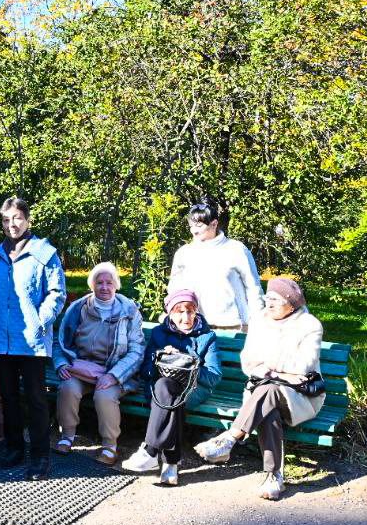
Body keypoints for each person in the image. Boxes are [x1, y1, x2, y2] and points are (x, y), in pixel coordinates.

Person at [194, 277, 325, 500]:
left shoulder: (309, 325)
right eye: (268, 298)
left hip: (301, 396)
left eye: (275, 299)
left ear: (291, 303)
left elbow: (305, 365)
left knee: (269, 391)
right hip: (261, 390)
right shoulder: (260, 320)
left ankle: (230, 438)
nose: (269, 303)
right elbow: (248, 361)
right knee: (269, 401)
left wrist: (270, 367)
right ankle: (273, 477)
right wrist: (280, 371)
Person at [0, 197, 67, 480]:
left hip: (31, 339)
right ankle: (14, 448)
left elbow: (57, 292)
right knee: (8, 396)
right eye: (6, 220)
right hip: (0, 340)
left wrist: (41, 320)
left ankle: (40, 456)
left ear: (27, 219)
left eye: (16, 218)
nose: (11, 224)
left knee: (36, 398)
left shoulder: (44, 253)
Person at [121, 289, 221, 485]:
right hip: (161, 387)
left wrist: (187, 364)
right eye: (179, 312)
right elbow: (146, 371)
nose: (186, 317)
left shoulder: (207, 337)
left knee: (172, 396)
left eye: (190, 311)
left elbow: (214, 376)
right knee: (166, 389)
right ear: (170, 313)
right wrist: (162, 358)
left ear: (196, 312)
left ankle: (151, 451)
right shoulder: (160, 334)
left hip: (193, 389)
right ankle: (170, 464)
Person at [53, 262, 145, 465]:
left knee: (104, 395)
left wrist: (113, 376)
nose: (104, 287)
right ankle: (67, 436)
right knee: (67, 387)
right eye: (99, 282)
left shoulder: (129, 312)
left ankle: (110, 446)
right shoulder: (78, 309)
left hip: (116, 372)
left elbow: (137, 351)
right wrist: (61, 364)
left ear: (116, 285)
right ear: (92, 285)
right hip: (82, 370)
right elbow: (59, 343)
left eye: (109, 282)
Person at [167, 197, 263, 331]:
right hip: (194, 326)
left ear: (214, 223)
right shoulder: (183, 254)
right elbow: (174, 290)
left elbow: (253, 287)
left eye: (199, 226)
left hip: (233, 326)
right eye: (191, 226)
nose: (194, 230)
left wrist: (259, 321)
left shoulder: (236, 249)